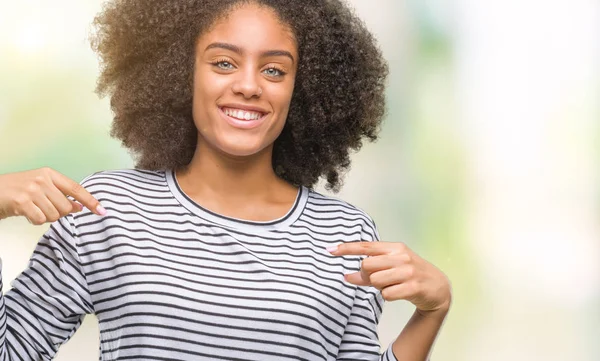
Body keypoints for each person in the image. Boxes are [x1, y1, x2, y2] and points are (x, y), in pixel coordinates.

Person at [0, 0, 452, 360]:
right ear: (181, 72)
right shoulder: (106, 209)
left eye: (274, 70)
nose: (249, 85)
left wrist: (432, 312)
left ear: (304, 88)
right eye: (223, 63)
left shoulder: (345, 236)